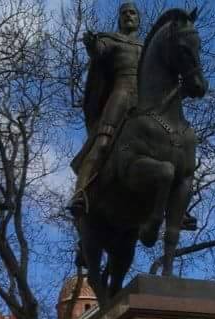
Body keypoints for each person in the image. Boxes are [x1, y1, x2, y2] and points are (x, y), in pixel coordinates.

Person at [70, 2, 143, 216]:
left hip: (144, 100)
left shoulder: (146, 46)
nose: (128, 16)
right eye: (124, 13)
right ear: (119, 19)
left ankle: (177, 207)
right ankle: (80, 193)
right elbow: (99, 51)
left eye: (132, 13)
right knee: (102, 142)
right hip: (121, 94)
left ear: (138, 19)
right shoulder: (111, 39)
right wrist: (91, 44)